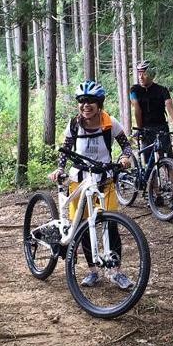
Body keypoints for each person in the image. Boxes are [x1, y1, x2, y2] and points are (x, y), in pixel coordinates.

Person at [48, 80, 134, 289]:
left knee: (110, 225)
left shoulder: (110, 123)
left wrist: (125, 158)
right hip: (79, 180)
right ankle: (93, 270)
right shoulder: (74, 124)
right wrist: (59, 169)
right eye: (82, 101)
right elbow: (65, 150)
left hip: (104, 179)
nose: (86, 105)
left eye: (91, 101)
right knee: (85, 226)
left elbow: (126, 147)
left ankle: (115, 271)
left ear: (99, 103)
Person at [129, 60, 173, 158]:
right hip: (145, 129)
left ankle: (171, 172)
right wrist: (140, 129)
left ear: (151, 75)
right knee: (149, 164)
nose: (140, 77)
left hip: (161, 128)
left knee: (168, 159)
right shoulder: (134, 90)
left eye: (144, 74)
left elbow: (170, 108)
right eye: (139, 73)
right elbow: (137, 109)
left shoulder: (162, 90)